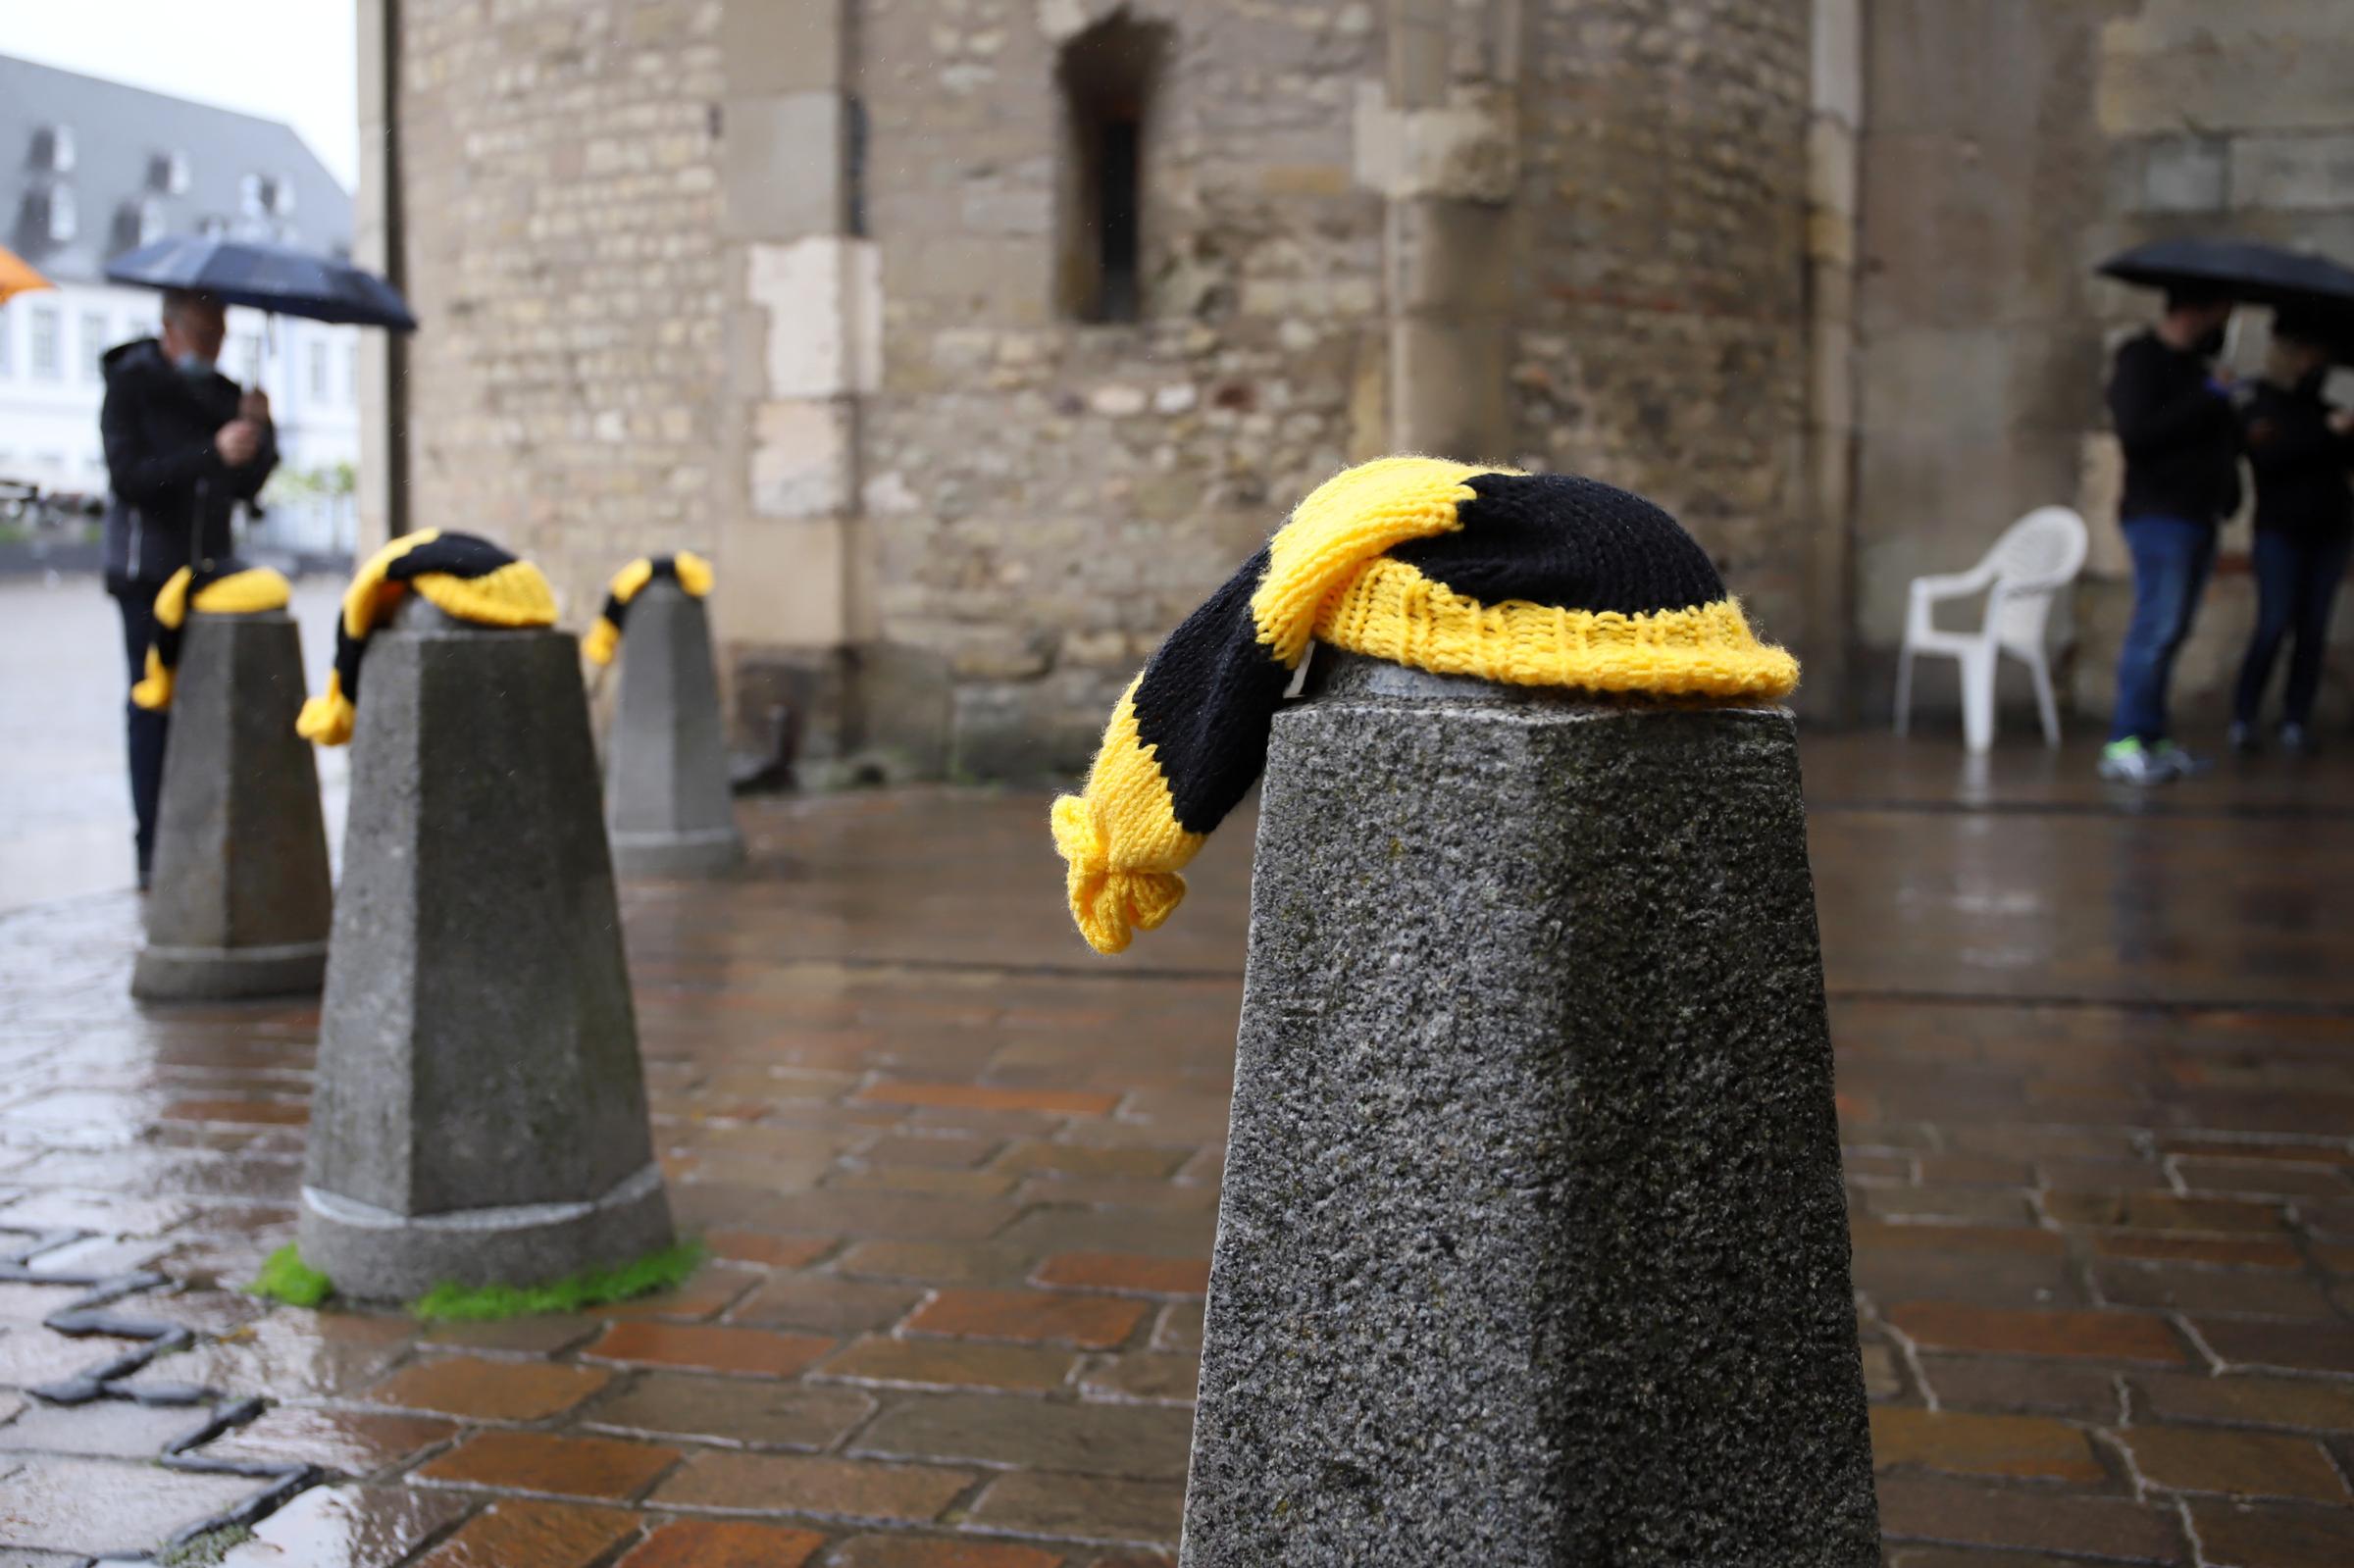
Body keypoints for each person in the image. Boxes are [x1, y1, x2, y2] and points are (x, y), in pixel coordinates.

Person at [99, 289, 276, 887]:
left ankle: (202, 840)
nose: (215, 346)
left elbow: (245, 483)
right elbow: (133, 479)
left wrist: (259, 431)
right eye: (205, 334)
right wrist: (210, 451)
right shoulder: (131, 384)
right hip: (147, 574)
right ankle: (152, 849)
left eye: (221, 334)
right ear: (171, 329)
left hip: (209, 576)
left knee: (206, 706)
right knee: (153, 705)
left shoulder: (223, 395)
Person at [2100, 287, 2241, 785]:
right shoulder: (2141, 360)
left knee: (2173, 631)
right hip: (2159, 514)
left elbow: (2216, 438)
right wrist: (2207, 399)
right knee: (2154, 629)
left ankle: (2152, 737)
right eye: (2220, 310)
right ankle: (2125, 741)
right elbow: (2138, 434)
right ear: (2194, 308)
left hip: (2198, 514)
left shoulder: (2198, 370)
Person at [2230, 313, 2354, 756]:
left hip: (2330, 529)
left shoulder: (2329, 403)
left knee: (2313, 630)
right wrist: (2327, 433)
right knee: (2274, 622)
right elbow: (2272, 456)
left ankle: (2295, 719)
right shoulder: (2262, 400)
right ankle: (2244, 715)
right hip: (2280, 530)